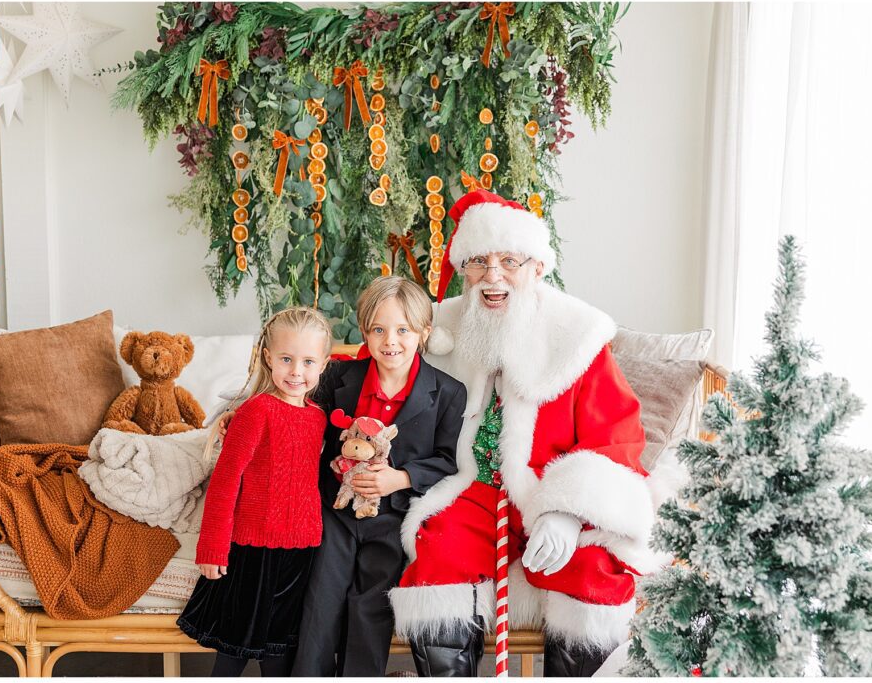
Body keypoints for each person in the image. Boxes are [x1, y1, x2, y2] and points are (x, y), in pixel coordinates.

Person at [389, 189, 672, 676]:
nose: (493, 275)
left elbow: (617, 439)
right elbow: (378, 374)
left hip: (552, 494)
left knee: (593, 572)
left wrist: (569, 512)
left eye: (509, 261)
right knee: (439, 556)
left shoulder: (577, 335)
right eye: (479, 261)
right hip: (472, 491)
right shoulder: (438, 328)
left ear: (537, 267)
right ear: (463, 268)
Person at [290, 275, 467, 677]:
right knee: (320, 601)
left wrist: (400, 478)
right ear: (365, 332)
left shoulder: (448, 392)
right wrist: (237, 414)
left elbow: (447, 460)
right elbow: (294, 406)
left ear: (424, 332)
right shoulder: (338, 378)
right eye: (379, 330)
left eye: (403, 330)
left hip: (393, 518)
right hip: (335, 512)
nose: (391, 341)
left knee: (370, 606)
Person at [177, 307, 332, 677]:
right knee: (236, 648)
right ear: (268, 357)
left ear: (324, 365)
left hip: (301, 550)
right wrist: (213, 547)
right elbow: (225, 480)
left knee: (279, 650)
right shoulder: (255, 412)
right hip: (253, 549)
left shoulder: (319, 417)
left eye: (308, 362)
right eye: (286, 359)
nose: (296, 371)